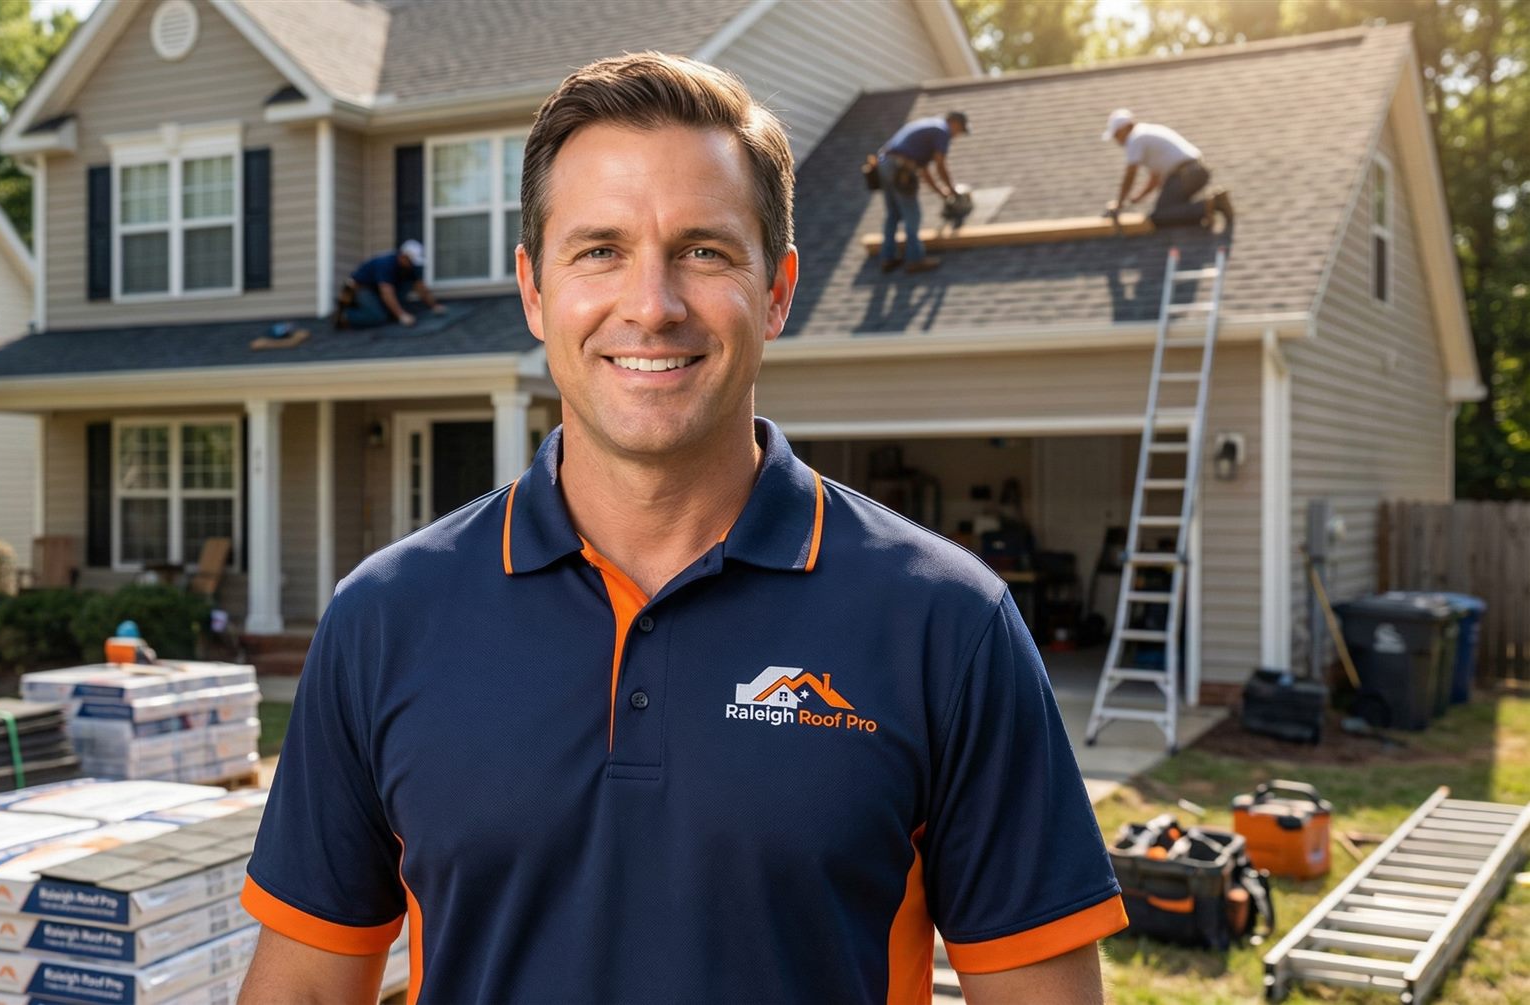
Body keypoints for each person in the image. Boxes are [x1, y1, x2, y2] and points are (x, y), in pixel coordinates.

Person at [240, 53, 1124, 1005]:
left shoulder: (947, 626)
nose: (652, 305)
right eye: (600, 250)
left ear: (779, 289)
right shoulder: (383, 619)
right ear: (535, 291)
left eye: (703, 250)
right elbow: (306, 989)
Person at [1103, 108, 1233, 230]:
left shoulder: (1135, 138)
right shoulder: (1146, 133)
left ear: (1124, 128)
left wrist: (1120, 203)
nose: (1117, 140)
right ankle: (1205, 210)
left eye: (1116, 134)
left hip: (1186, 175)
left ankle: (1211, 205)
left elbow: (1130, 174)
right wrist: (1136, 198)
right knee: (1171, 208)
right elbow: (1155, 179)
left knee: (1160, 215)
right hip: (1196, 171)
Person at [875, 111, 968, 273]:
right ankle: (915, 259)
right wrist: (953, 191)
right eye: (959, 130)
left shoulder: (929, 126)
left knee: (894, 214)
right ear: (954, 122)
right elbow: (940, 166)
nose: (957, 135)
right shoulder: (942, 131)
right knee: (913, 214)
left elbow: (924, 171)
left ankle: (887, 258)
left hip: (883, 163)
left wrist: (942, 193)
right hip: (899, 167)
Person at [335, 239, 446, 328]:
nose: (413, 264)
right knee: (378, 317)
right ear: (403, 256)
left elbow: (420, 287)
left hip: (379, 291)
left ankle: (389, 310)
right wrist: (402, 315)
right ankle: (346, 316)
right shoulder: (386, 264)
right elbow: (386, 292)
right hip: (362, 289)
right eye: (412, 261)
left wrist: (434, 306)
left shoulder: (410, 267)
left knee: (407, 284)